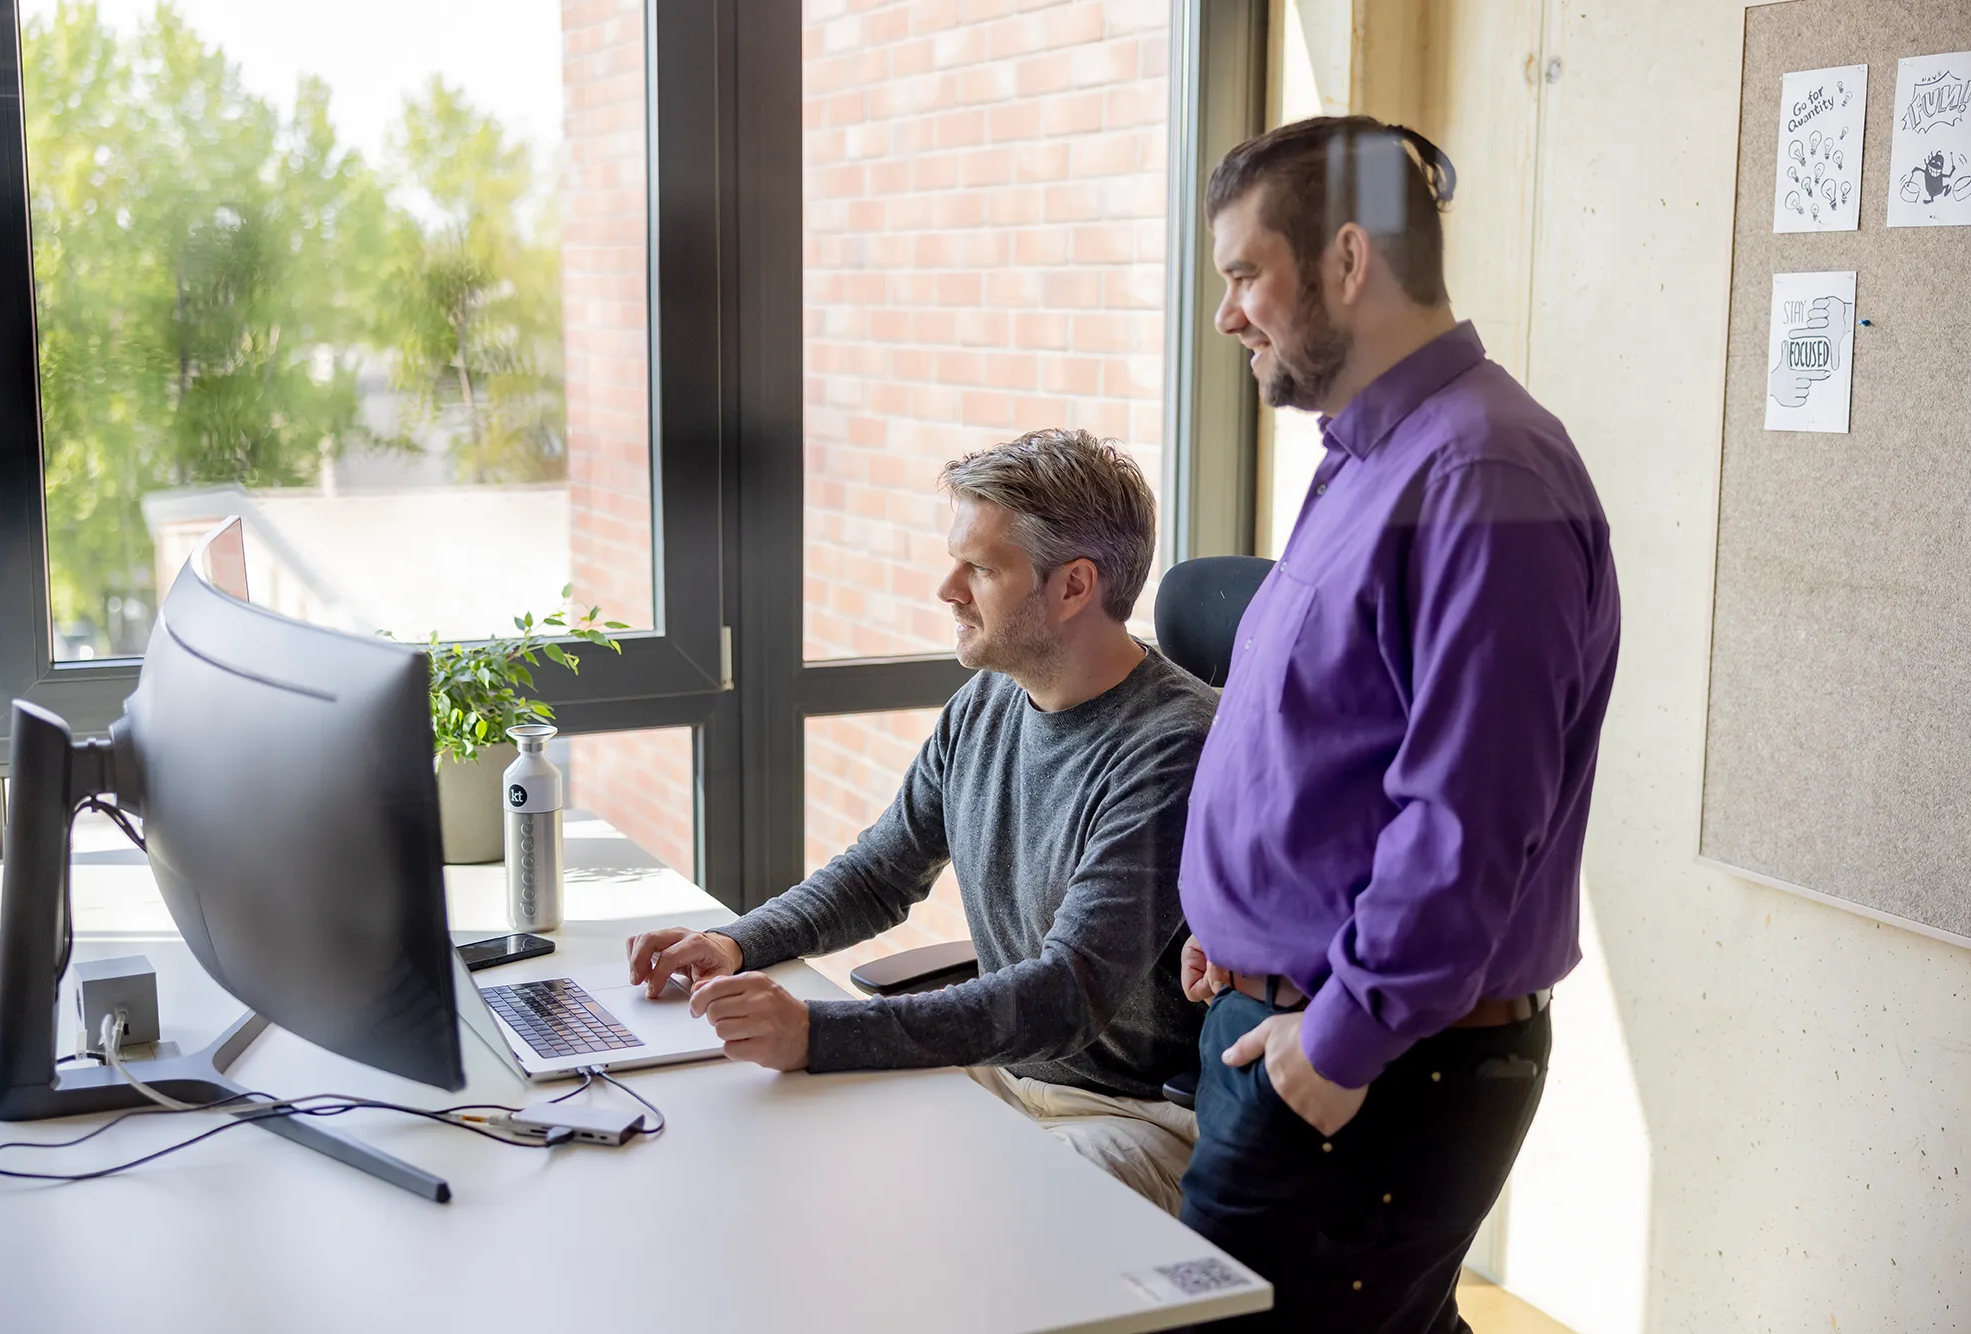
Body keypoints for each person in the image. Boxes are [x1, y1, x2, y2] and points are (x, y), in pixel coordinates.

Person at [1175, 116, 1622, 1330]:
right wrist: (1243, 926)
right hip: (1300, 1022)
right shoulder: (1370, 453)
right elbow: (1338, 736)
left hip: (1378, 1058)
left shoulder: (1483, 475)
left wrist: (1336, 1036)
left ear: (1346, 262)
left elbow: (1469, 814)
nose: (1226, 315)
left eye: (1241, 273)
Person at [628, 428, 1215, 1212]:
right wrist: (738, 941)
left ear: (1074, 586)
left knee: (963, 1241)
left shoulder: (1172, 748)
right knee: (772, 1159)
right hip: (1004, 1074)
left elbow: (1066, 996)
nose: (947, 588)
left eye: (979, 567)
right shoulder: (989, 701)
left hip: (1131, 1114)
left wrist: (819, 1033)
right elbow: (880, 872)